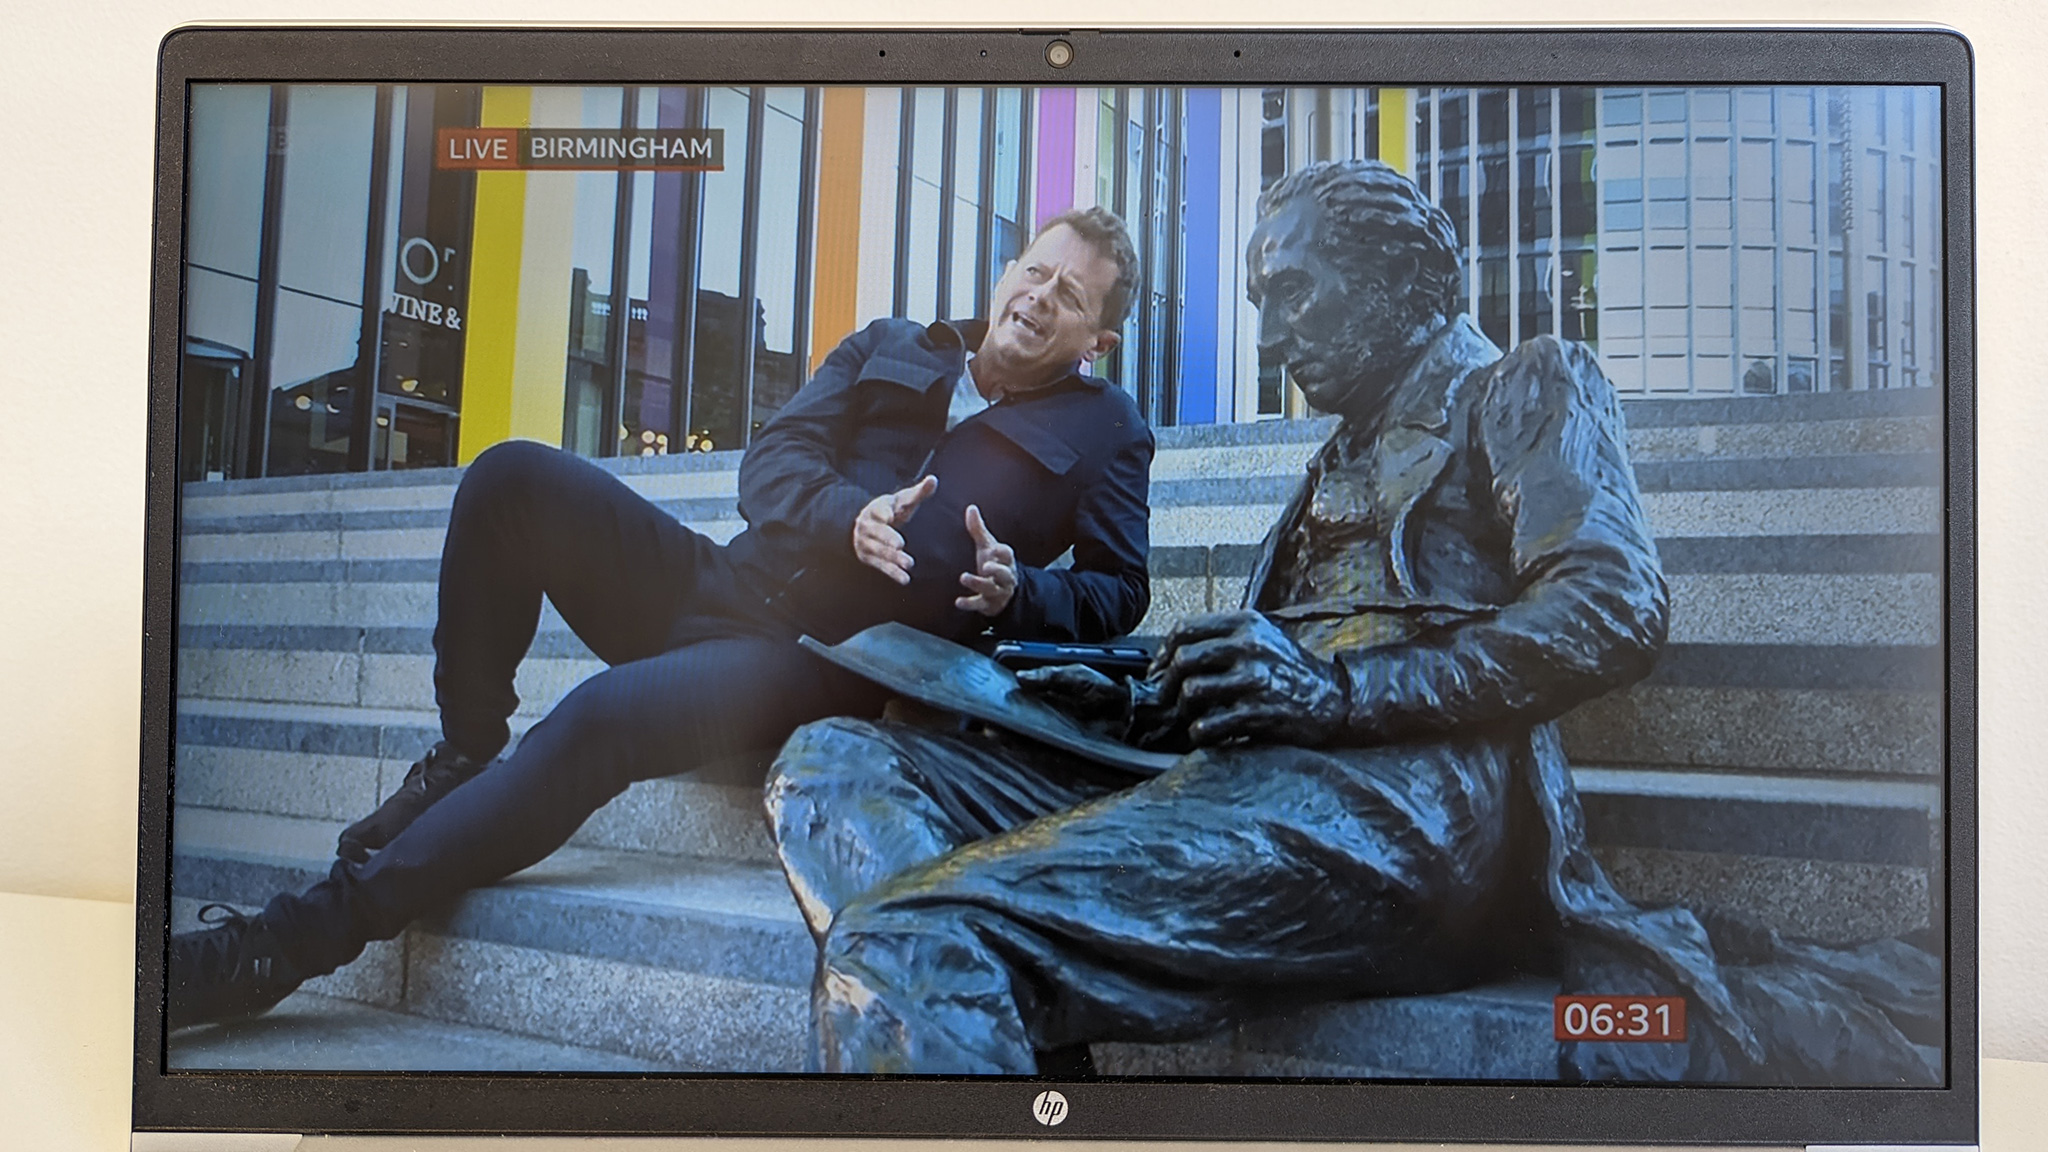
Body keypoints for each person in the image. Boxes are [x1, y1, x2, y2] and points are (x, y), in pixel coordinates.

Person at [761, 159, 1769, 1076]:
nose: (1275, 338)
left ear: (1395, 279)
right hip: (1233, 766)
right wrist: (1134, 691)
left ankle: (954, 955)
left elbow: (1611, 606)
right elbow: (1274, 658)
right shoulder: (1332, 459)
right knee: (832, 761)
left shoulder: (1523, 383)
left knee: (907, 934)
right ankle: (987, 990)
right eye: (1260, 304)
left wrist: (1334, 690)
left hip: (1400, 798)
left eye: (1292, 294)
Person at [168, 206, 1157, 1031]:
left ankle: (283, 944)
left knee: (598, 718)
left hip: (812, 669)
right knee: (511, 475)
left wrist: (1019, 588)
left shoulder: (1107, 432)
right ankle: (469, 754)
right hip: (713, 586)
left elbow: (1119, 588)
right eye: (1034, 270)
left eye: (1068, 295)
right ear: (1005, 270)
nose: (1036, 298)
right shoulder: (892, 344)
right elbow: (767, 466)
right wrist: (840, 516)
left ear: (1095, 340)